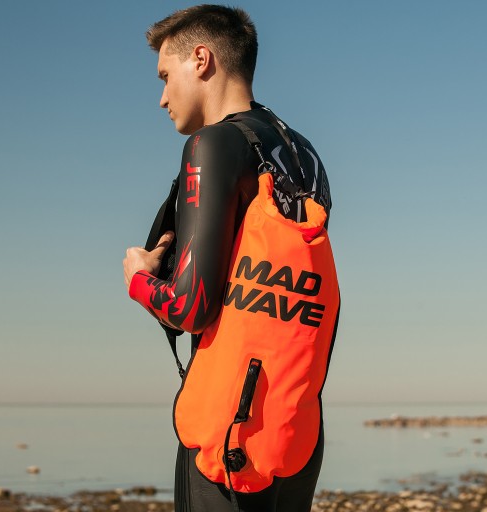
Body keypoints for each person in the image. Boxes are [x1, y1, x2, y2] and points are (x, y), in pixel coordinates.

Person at [123, 5, 337, 511]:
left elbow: (189, 307)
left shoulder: (213, 144)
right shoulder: (303, 153)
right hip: (295, 427)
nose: (161, 98)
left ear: (201, 59)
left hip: (227, 434)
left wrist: (139, 279)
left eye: (165, 76)